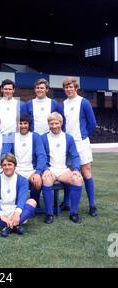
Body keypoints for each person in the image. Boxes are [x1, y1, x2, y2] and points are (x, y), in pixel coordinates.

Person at [58, 77, 98, 217]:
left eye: (71, 87)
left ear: (76, 88)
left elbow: (92, 123)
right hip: (67, 144)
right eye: (66, 87)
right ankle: (67, 202)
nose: (69, 89)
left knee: (86, 172)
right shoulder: (62, 105)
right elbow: (61, 125)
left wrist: (83, 135)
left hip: (81, 143)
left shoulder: (84, 102)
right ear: (64, 89)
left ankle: (92, 205)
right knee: (70, 174)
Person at [41, 112, 83, 224]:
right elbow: (41, 157)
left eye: (56, 123)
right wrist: (45, 169)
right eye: (51, 123)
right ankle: (49, 214)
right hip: (50, 169)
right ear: (48, 124)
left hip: (63, 170)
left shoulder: (68, 138)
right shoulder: (43, 138)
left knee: (77, 179)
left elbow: (74, 155)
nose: (54, 126)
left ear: (61, 123)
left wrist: (76, 169)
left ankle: (73, 213)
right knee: (46, 179)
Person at [0, 153, 36, 237]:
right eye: (4, 165)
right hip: (0, 210)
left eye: (10, 164)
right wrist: (2, 216)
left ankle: (7, 226)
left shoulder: (23, 180)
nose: (7, 167)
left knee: (32, 201)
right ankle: (13, 226)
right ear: (1, 166)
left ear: (15, 166)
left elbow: (22, 199)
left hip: (16, 210)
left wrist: (16, 214)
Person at [11, 114, 46, 206]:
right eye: (20, 123)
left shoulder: (35, 136)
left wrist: (38, 172)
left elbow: (41, 156)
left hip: (31, 170)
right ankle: (16, 204)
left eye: (25, 123)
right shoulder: (12, 137)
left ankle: (34, 203)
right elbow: (6, 154)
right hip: (16, 170)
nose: (23, 126)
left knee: (37, 182)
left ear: (29, 124)